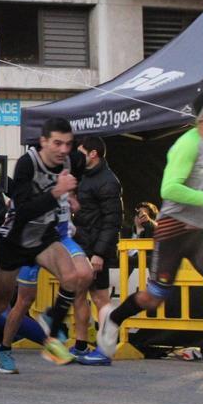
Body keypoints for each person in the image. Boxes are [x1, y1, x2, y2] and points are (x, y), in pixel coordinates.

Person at [96, 88, 203, 394]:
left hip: (202, 232)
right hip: (173, 230)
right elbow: (169, 189)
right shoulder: (187, 144)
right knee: (155, 297)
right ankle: (113, 317)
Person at [0, 117, 84, 379]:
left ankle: (52, 333)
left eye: (68, 144)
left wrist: (72, 198)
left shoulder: (72, 160)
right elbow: (22, 210)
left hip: (43, 235)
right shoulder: (27, 164)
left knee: (72, 277)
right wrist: (57, 193)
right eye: (57, 143)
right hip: (15, 238)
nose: (63, 150)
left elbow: (74, 181)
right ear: (43, 141)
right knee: (1, 301)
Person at [68, 136, 122, 366]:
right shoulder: (82, 177)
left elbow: (113, 221)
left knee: (100, 298)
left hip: (98, 250)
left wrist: (99, 253)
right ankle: (81, 344)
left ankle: (105, 349)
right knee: (78, 294)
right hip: (81, 246)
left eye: (81, 152)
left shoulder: (108, 181)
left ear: (93, 154)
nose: (76, 157)